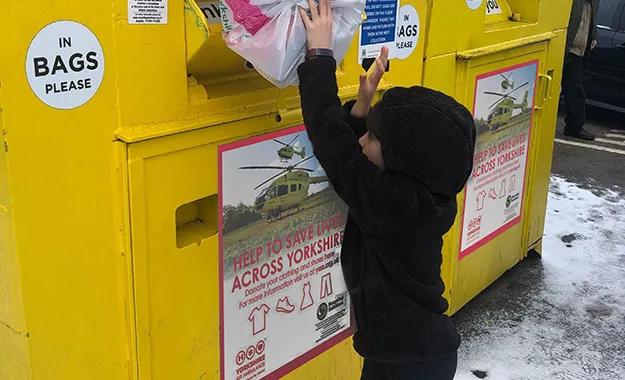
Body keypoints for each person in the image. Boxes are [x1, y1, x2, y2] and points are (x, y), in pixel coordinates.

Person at [296, 0, 476, 378]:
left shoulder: (392, 205)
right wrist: (363, 107)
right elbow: (360, 158)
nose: (363, 144)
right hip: (413, 352)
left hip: (404, 364)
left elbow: (335, 147)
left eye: (373, 139)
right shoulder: (420, 194)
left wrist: (319, 55)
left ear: (403, 160)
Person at [562, 0, 600, 141]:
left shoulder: (593, 2)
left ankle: (574, 127)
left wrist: (594, 36)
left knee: (575, 90)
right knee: (569, 89)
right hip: (565, 49)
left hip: (579, 52)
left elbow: (592, 19)